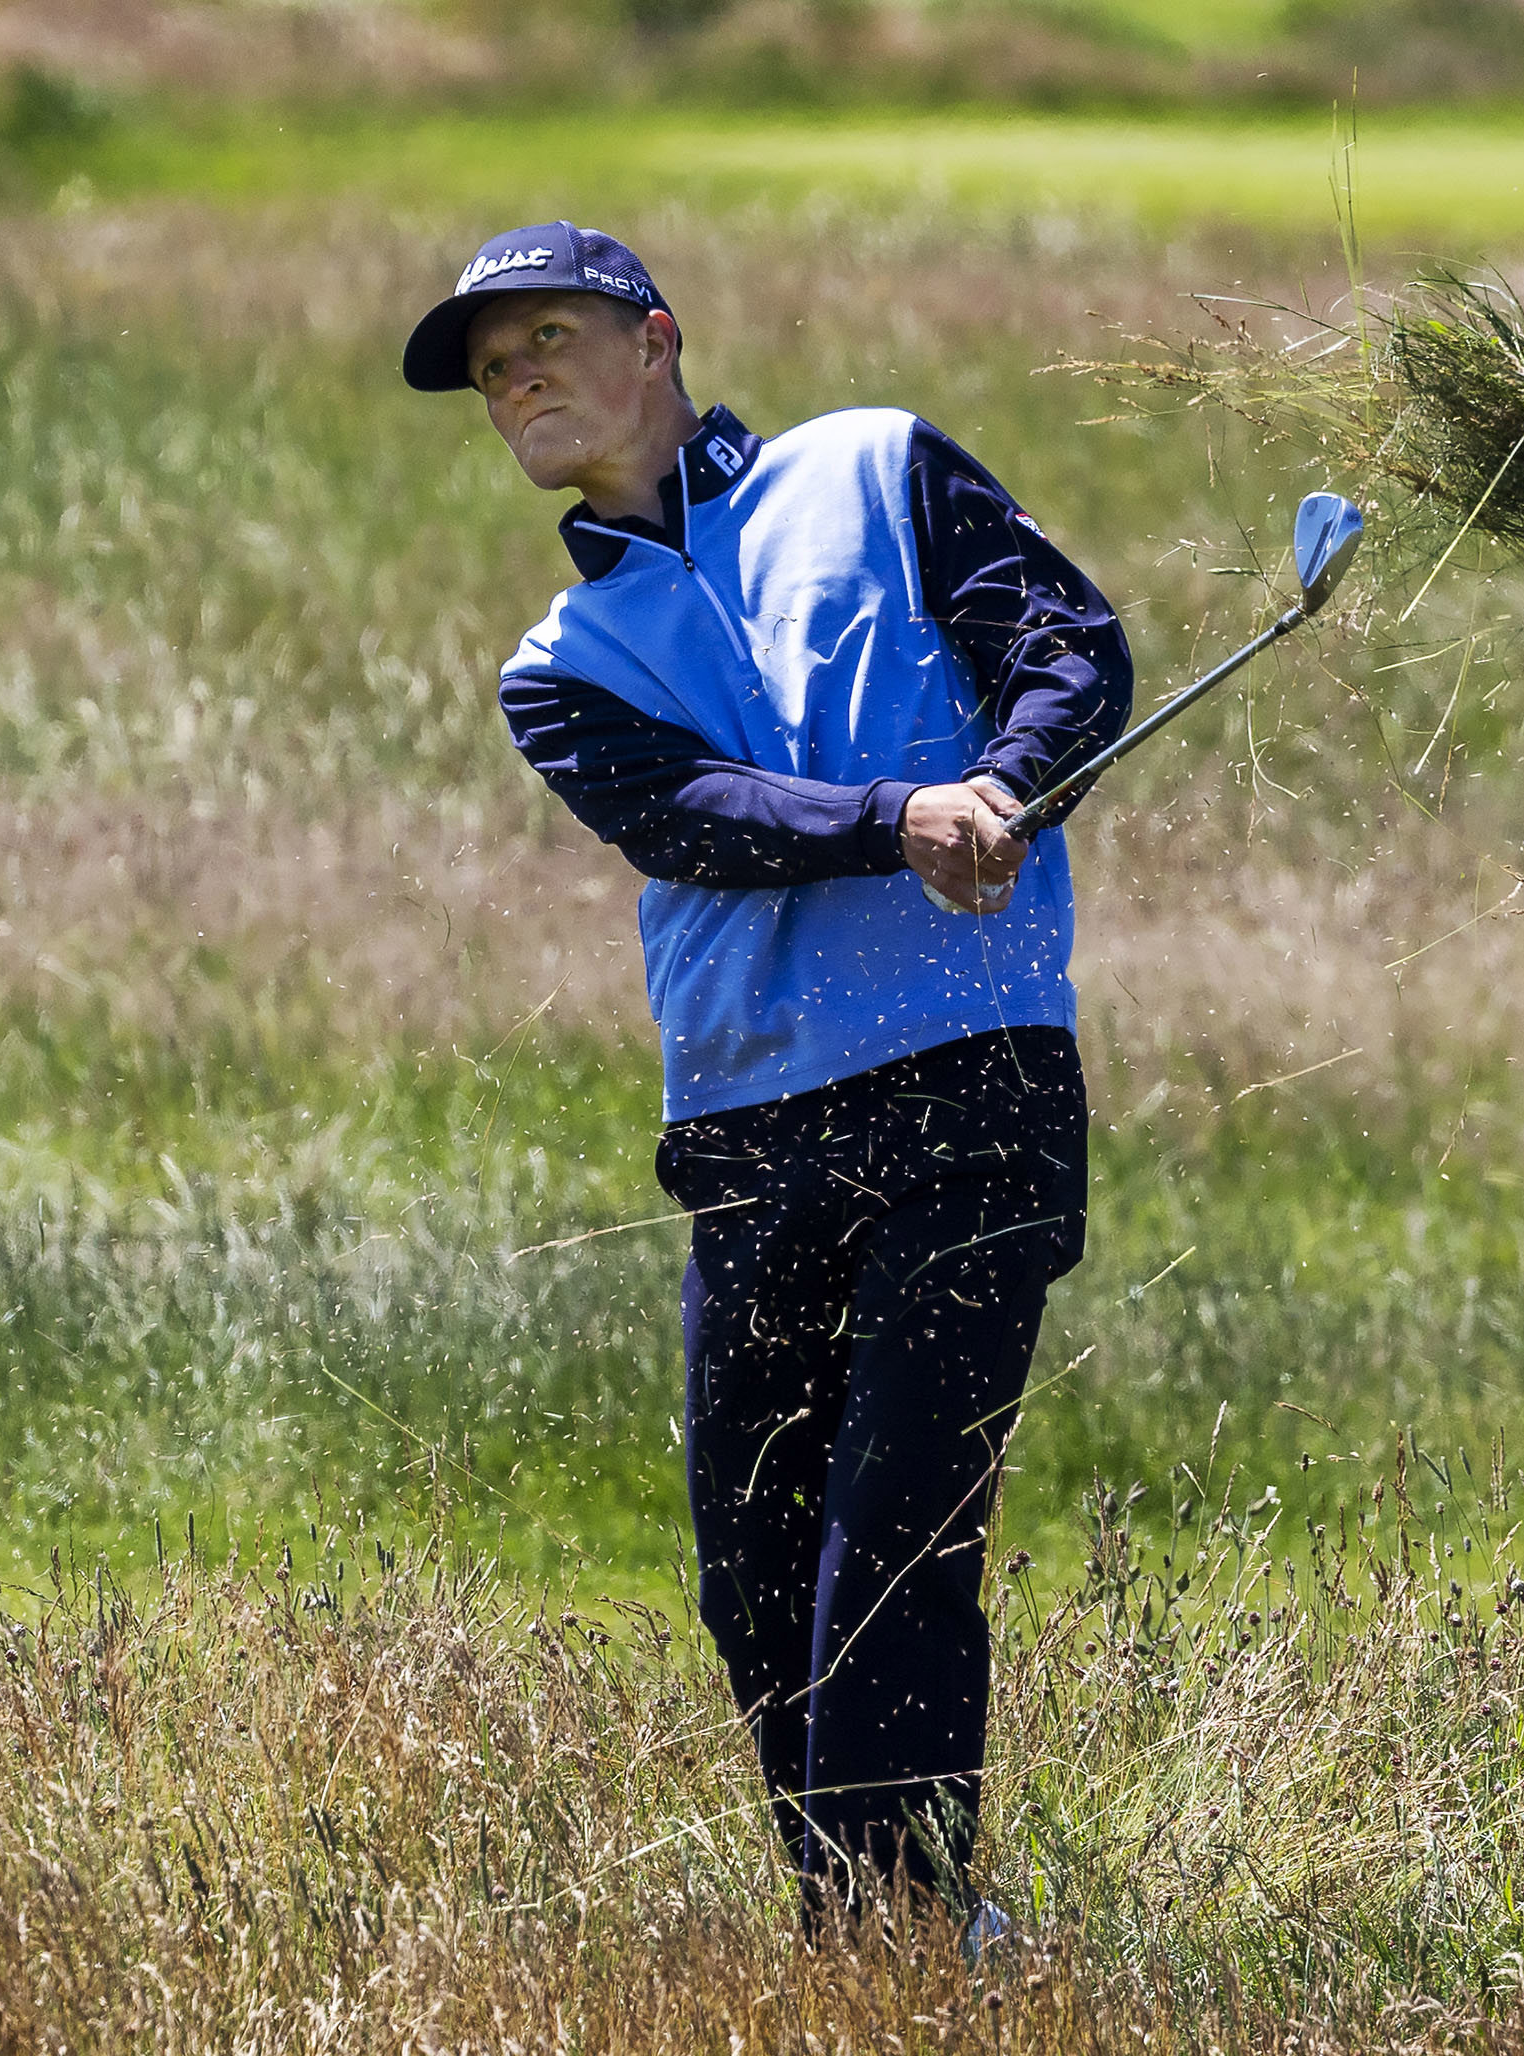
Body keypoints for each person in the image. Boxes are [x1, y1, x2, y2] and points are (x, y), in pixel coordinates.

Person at [403, 222, 1133, 1936]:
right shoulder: (556, 666)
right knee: (754, 1570)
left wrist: (1010, 779)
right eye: (491, 368)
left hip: (971, 1086)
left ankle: (900, 1926)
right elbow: (696, 821)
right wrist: (904, 817)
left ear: (654, 339)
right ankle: (874, 1920)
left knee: (894, 1526)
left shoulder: (875, 467)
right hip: (745, 1130)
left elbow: (1070, 649)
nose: (517, 382)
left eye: (548, 340)